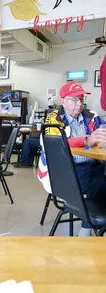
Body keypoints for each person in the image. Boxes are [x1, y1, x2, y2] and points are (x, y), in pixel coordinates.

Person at [38, 81, 106, 236]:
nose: (79, 104)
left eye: (81, 99)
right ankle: (88, 226)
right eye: (74, 100)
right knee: (101, 180)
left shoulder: (92, 116)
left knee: (102, 175)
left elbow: (103, 131)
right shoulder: (53, 119)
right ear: (63, 101)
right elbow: (53, 145)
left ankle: (95, 222)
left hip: (92, 165)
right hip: (64, 171)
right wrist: (86, 141)